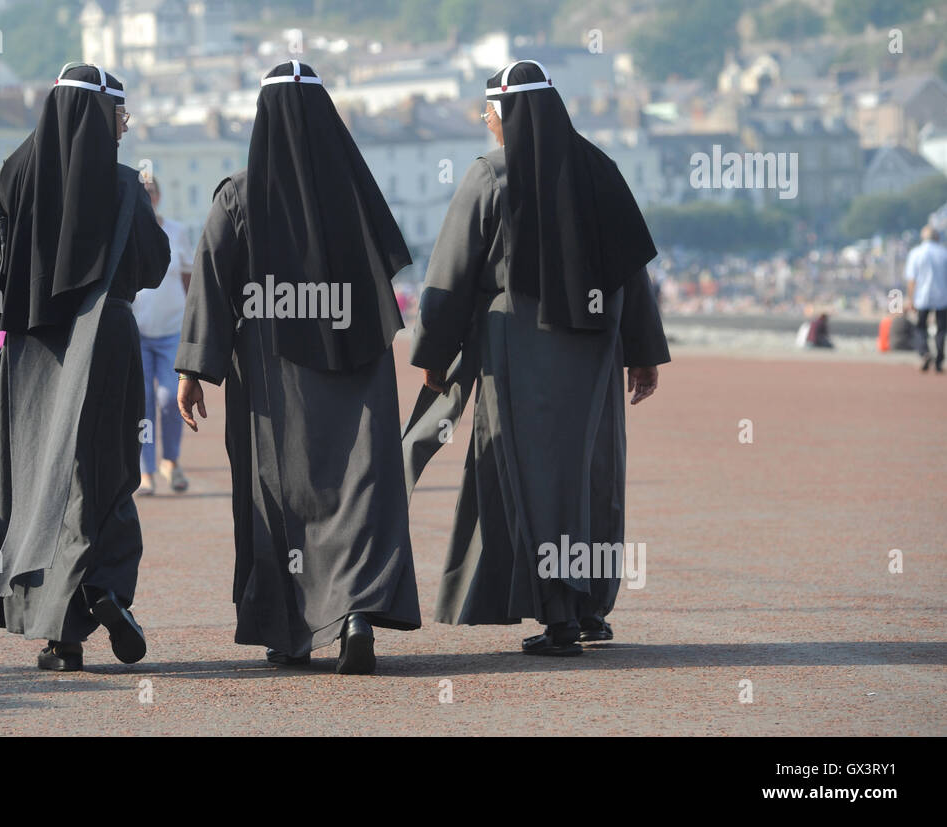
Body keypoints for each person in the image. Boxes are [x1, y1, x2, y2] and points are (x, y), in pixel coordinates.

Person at [402, 60, 670, 656]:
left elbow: (449, 276)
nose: (484, 120)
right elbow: (632, 274)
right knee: (590, 475)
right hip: (597, 354)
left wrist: (434, 353)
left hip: (517, 353)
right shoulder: (601, 170)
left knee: (529, 479)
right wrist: (643, 353)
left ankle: (557, 616)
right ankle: (589, 604)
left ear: (510, 113)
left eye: (489, 111)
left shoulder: (490, 176)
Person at [175, 60, 421, 675]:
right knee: (360, 487)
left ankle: (288, 632)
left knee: (280, 497)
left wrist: (193, 370)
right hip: (359, 366)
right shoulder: (359, 192)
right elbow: (387, 269)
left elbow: (210, 281)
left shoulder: (238, 194)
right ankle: (357, 613)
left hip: (271, 379)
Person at [0, 63, 169, 672]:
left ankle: (62, 640)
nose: (125, 127)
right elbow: (152, 267)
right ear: (103, 116)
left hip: (30, 352)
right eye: (121, 116)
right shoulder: (125, 184)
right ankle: (103, 586)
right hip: (104, 344)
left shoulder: (15, 173)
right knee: (106, 474)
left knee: (36, 483)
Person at [132, 175, 194, 495]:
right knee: (141, 403)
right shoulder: (125, 230)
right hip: (137, 332)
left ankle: (171, 460)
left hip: (172, 331)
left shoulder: (177, 232)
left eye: (153, 190)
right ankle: (146, 471)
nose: (149, 195)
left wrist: (194, 326)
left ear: (160, 195)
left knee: (170, 397)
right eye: (143, 191)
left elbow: (188, 281)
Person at [904, 224, 947, 373]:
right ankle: (939, 360)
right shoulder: (944, 253)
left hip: (922, 296)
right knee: (941, 330)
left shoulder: (916, 253)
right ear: (936, 237)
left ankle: (924, 352)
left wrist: (910, 299)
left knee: (920, 328)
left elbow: (911, 279)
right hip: (942, 296)